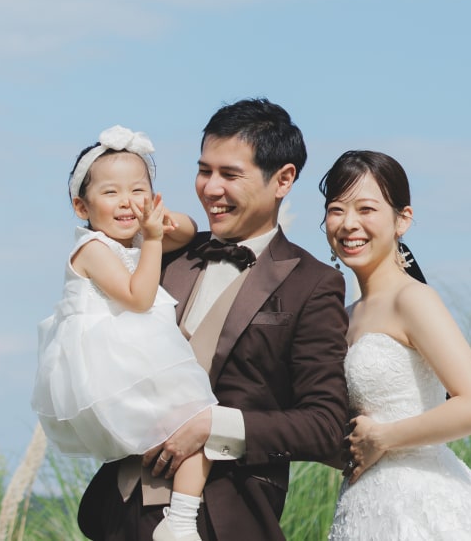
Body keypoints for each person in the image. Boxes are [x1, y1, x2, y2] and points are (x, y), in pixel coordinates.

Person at [77, 98, 350, 541]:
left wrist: (213, 426)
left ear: (283, 179)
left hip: (225, 520)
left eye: (230, 174)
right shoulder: (162, 252)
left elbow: (325, 425)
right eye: (204, 171)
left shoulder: (313, 284)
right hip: (118, 512)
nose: (210, 188)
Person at [321, 150, 471, 540]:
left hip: (419, 504)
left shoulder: (412, 300)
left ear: (403, 220)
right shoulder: (344, 316)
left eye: (366, 209)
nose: (349, 224)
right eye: (336, 210)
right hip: (362, 507)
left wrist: (382, 438)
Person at [31, 125, 219, 541]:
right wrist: (151, 237)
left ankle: (180, 520)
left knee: (201, 425)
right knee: (199, 420)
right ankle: (181, 521)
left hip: (140, 359)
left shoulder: (135, 238)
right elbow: (138, 296)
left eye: (138, 191)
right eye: (111, 193)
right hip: (114, 369)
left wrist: (159, 222)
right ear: (82, 206)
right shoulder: (92, 249)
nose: (126, 202)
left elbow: (189, 233)